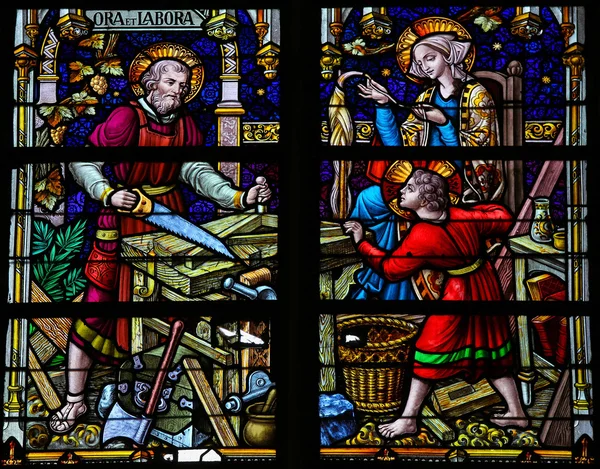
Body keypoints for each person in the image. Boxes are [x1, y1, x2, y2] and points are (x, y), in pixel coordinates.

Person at [49, 57, 272, 434]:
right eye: (170, 83)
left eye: (184, 87)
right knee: (95, 311)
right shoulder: (125, 118)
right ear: (149, 84)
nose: (178, 92)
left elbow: (196, 171)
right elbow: (84, 161)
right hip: (119, 225)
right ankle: (74, 402)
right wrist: (106, 192)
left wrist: (239, 198)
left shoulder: (184, 124)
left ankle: (160, 402)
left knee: (172, 312)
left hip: (169, 227)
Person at [343, 169, 528, 438]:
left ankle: (408, 419)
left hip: (460, 292)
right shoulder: (463, 216)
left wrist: (362, 243)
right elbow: (503, 217)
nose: (401, 192)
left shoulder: (422, 235)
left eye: (409, 188)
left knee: (428, 348)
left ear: (426, 199)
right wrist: (475, 208)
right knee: (491, 347)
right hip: (485, 286)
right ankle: (517, 413)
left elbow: (392, 269)